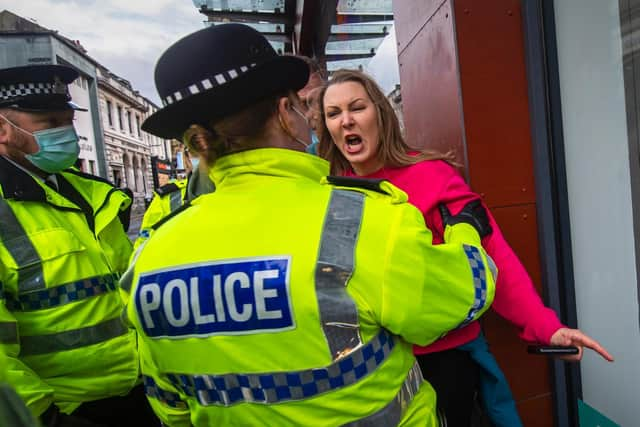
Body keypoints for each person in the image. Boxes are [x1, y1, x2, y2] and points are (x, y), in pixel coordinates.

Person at [125, 23, 497, 426]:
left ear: (197, 142)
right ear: (286, 114)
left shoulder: (149, 258)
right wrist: (464, 230)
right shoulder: (361, 219)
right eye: (306, 108)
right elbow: (458, 299)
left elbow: (169, 404)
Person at [317, 68, 614, 427]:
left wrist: (545, 327)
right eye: (334, 113)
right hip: (371, 369)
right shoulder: (326, 194)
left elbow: (492, 256)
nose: (346, 120)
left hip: (445, 362)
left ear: (379, 113)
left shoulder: (432, 176)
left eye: (356, 108)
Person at [0, 64, 158, 426]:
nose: (66, 133)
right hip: (64, 412)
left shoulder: (94, 196)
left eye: (68, 121)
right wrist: (42, 417)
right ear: (2, 129)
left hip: (142, 392)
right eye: (50, 122)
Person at [134, 145, 215, 250]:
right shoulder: (167, 198)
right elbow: (143, 246)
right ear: (187, 159)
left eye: (208, 148)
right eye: (195, 148)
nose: (203, 156)